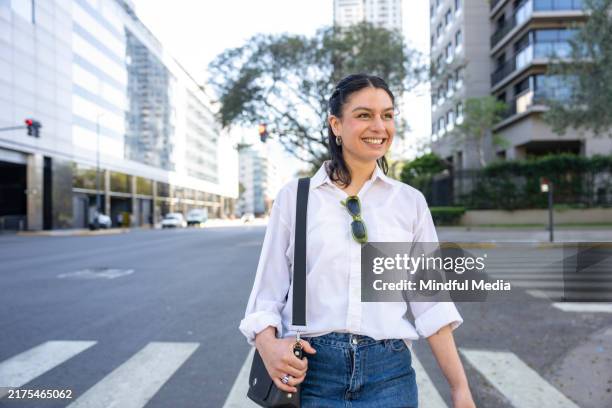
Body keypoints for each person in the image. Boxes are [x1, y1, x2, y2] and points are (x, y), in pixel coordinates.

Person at [239, 73, 476, 407]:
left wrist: (459, 389)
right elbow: (266, 295)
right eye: (365, 115)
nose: (379, 126)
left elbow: (431, 303)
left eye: (388, 115)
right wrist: (268, 345)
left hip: (389, 376)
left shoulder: (409, 202)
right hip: (312, 372)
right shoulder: (296, 197)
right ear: (336, 125)